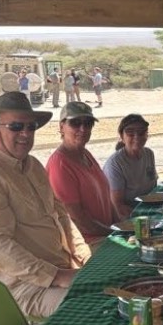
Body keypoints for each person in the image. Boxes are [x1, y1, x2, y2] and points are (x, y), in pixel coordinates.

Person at [0, 93, 91, 319]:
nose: (25, 134)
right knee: (96, 304)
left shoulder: (31, 164)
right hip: (22, 287)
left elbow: (61, 215)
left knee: (128, 281)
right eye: (16, 126)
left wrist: (84, 256)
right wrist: (58, 276)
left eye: (31, 126)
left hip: (61, 267)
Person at [46, 102, 119, 247]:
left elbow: (106, 198)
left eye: (88, 123)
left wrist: (120, 225)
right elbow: (78, 220)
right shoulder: (60, 165)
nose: (83, 129)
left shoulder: (85, 154)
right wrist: (114, 233)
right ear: (61, 127)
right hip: (87, 244)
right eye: (75, 123)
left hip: (104, 235)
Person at [103, 114, 157, 218]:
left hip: (149, 209)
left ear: (147, 135)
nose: (136, 136)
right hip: (129, 216)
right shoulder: (115, 163)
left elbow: (153, 188)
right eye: (130, 133)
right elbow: (117, 206)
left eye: (141, 132)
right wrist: (144, 218)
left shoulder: (149, 154)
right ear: (122, 137)